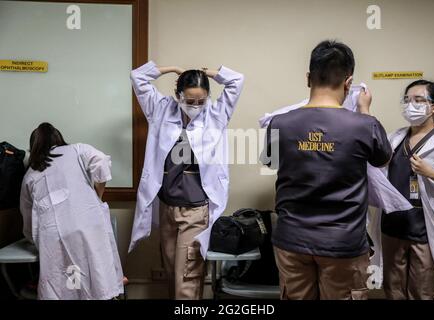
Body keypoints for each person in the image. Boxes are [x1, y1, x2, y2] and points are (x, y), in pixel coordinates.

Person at [261, 40, 392, 300]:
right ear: (349, 82)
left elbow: (271, 162)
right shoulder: (364, 126)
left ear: (308, 78)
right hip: (343, 243)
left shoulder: (279, 123)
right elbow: (382, 160)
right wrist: (365, 110)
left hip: (292, 240)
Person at [128, 61, 244, 299]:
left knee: (186, 282)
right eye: (189, 101)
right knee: (173, 276)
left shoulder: (215, 115)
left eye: (201, 101)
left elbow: (236, 81)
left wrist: (206, 73)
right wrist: (171, 68)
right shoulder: (160, 110)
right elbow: (138, 77)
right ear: (177, 95)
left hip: (195, 212)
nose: (196, 106)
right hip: (168, 208)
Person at [20, 123, 124, 300]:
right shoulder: (77, 150)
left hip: (54, 237)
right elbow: (101, 161)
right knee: (97, 276)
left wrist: (31, 238)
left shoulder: (30, 174)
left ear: (34, 146)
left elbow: (28, 216)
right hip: (88, 224)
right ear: (58, 138)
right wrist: (98, 196)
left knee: (68, 284)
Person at [380, 80, 434, 300]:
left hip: (424, 230)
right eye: (407, 100)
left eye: (418, 100)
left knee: (423, 290)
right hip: (393, 226)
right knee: (393, 289)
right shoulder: (395, 138)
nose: (411, 105)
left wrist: (433, 174)